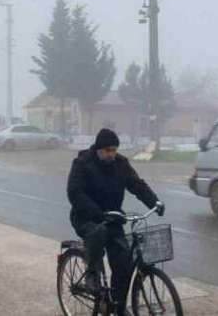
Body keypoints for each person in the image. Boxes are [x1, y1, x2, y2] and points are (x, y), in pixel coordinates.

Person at [67, 128, 165, 315]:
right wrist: (97, 213)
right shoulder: (82, 163)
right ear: (98, 149)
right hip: (85, 217)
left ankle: (117, 306)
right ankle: (92, 275)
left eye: (115, 150)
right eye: (108, 150)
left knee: (123, 263)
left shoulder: (120, 164)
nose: (112, 154)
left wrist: (155, 201)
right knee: (98, 233)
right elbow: (75, 193)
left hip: (113, 218)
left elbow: (136, 184)